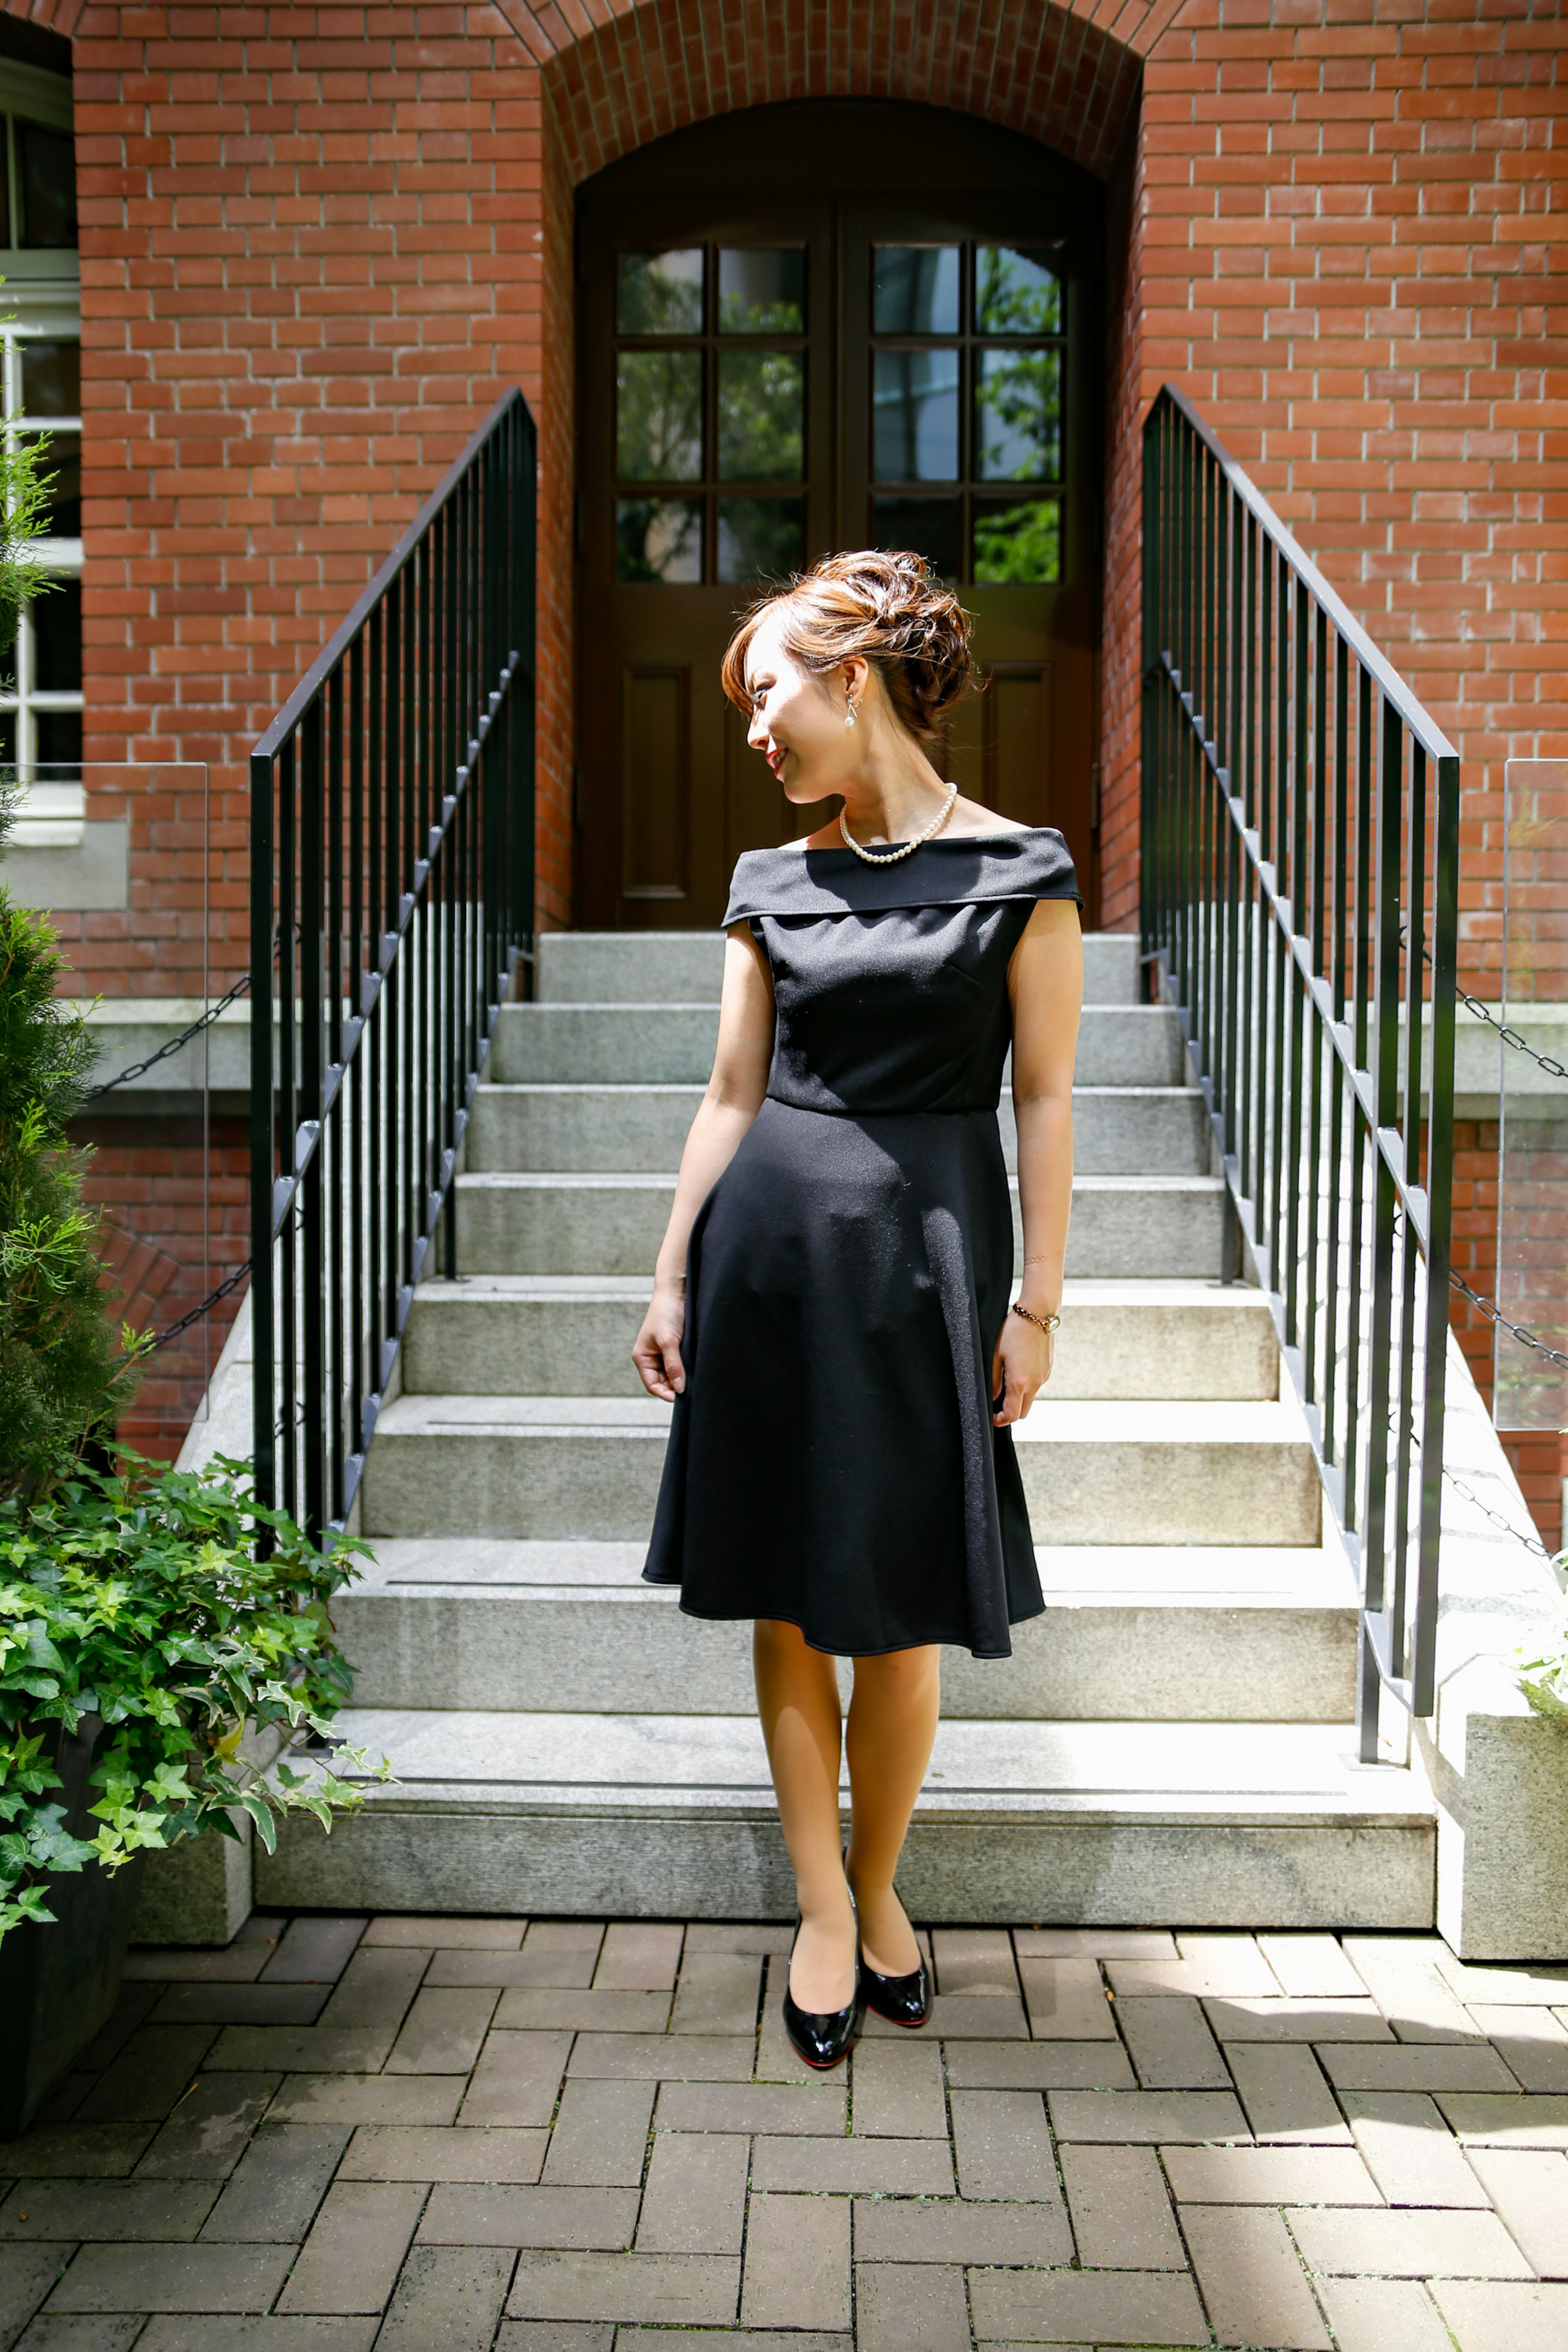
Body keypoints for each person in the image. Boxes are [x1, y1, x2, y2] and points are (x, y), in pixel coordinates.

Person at [633, 549, 1084, 2069]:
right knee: (787, 1599)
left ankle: (880, 1887)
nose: (754, 729)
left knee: (899, 1619)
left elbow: (1045, 1095)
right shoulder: (772, 883)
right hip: (772, 1265)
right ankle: (827, 1911)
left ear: (853, 676)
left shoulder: (1023, 871)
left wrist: (1040, 1304)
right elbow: (727, 1094)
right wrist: (672, 1265)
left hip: (931, 1270)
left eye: (766, 694)